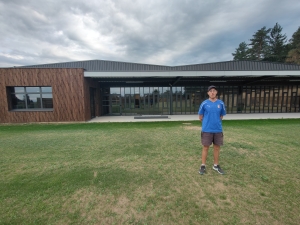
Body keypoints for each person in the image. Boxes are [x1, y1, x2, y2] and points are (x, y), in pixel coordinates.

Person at [198, 85, 226, 175]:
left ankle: (216, 165)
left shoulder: (221, 103)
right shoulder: (204, 103)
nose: (212, 92)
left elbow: (221, 116)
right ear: (208, 93)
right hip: (207, 130)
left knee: (217, 148)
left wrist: (215, 122)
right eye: (210, 91)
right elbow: (200, 117)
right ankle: (203, 165)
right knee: (206, 147)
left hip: (218, 129)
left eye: (214, 90)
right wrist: (207, 123)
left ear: (216, 92)